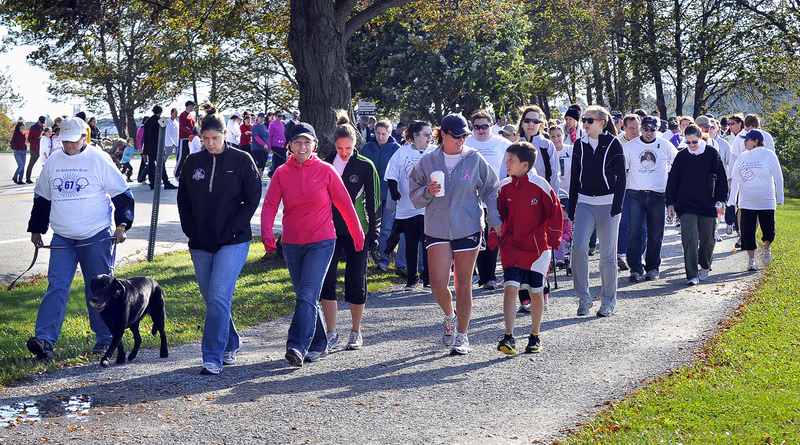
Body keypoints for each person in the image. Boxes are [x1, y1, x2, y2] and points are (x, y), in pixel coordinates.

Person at [25, 116, 134, 361]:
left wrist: (122, 224)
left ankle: (106, 338)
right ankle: (44, 340)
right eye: (64, 140)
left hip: (95, 236)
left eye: (73, 140)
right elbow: (42, 198)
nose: (69, 145)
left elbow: (122, 194)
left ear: (84, 137)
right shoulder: (54, 161)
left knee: (99, 289)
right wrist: (37, 229)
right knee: (57, 286)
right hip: (62, 236)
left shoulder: (98, 158)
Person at [261, 122, 365, 367]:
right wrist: (267, 234)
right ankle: (320, 343)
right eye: (298, 142)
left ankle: (296, 345)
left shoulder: (326, 170)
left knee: (307, 295)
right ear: (289, 146)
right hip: (293, 243)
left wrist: (357, 233)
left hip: (322, 241)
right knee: (305, 297)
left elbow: (345, 204)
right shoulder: (281, 173)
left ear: (315, 145)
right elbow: (269, 205)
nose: (303, 146)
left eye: (308, 142)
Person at [177, 103, 262, 375]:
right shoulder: (193, 162)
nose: (211, 144)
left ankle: (213, 355)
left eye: (216, 138)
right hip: (201, 241)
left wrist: (236, 227)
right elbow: (184, 200)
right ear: (200, 138)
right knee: (212, 298)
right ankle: (233, 340)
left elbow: (252, 199)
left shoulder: (241, 160)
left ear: (226, 134)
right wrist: (190, 228)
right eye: (206, 139)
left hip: (233, 241)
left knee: (218, 295)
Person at [408, 113, 501, 355]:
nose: (462, 140)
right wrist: (427, 191)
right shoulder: (428, 161)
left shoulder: (474, 158)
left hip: (468, 227)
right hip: (436, 227)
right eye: (457, 135)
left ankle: (463, 335)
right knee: (438, 284)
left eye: (465, 135)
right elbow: (414, 197)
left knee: (463, 284)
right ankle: (450, 316)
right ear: (444, 135)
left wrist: (494, 219)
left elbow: (491, 189)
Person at [321, 112, 380, 351]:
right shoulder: (325, 162)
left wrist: (374, 233)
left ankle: (356, 331)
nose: (344, 152)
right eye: (340, 148)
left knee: (356, 281)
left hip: (358, 231)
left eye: (348, 147)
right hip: (329, 230)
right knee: (328, 280)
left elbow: (374, 202)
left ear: (356, 144)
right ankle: (331, 332)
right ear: (334, 145)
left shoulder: (366, 166)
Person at [496, 142, 562, 355]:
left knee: (536, 292)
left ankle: (535, 335)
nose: (506, 163)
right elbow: (499, 215)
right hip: (512, 248)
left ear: (524, 165)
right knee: (510, 287)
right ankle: (509, 336)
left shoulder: (540, 185)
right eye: (507, 158)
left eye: (510, 160)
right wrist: (495, 235)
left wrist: (553, 238)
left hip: (537, 249)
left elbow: (555, 211)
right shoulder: (504, 186)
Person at [568, 105, 626, 317]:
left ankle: (608, 301)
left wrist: (618, 205)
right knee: (579, 247)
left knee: (607, 256)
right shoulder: (579, 144)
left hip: (608, 204)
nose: (585, 123)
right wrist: (572, 207)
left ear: (602, 122)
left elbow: (622, 177)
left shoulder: (613, 143)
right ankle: (583, 297)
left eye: (590, 120)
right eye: (584, 119)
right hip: (584, 202)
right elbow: (575, 178)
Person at [665, 124, 728, 285]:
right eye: (688, 142)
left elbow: (721, 178)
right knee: (690, 238)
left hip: (709, 203)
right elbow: (673, 181)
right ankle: (691, 274)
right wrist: (670, 203)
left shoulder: (712, 154)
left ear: (701, 138)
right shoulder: (682, 157)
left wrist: (722, 200)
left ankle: (705, 265)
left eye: (694, 142)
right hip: (686, 204)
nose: (691, 145)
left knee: (708, 239)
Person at [623, 116, 678, 282]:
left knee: (656, 233)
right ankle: (635, 268)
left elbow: (678, 163)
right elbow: (623, 169)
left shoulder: (665, 145)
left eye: (652, 129)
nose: (648, 132)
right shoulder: (631, 146)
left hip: (658, 195)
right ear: (641, 129)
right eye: (645, 129)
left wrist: (673, 190)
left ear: (657, 129)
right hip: (635, 194)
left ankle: (652, 268)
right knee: (634, 232)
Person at [466, 109, 510, 290]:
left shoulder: (503, 143)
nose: (481, 130)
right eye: (477, 127)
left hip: (494, 197)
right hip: (469, 197)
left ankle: (489, 277)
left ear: (492, 125)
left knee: (492, 235)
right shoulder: (466, 142)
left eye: (484, 126)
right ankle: (472, 274)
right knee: (473, 236)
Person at [728, 129, 784, 271]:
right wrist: (732, 198)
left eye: (747, 140)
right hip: (747, 200)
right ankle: (751, 260)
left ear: (756, 141)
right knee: (747, 232)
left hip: (766, 200)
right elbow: (735, 178)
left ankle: (766, 247)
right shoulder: (742, 156)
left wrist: (780, 195)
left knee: (769, 231)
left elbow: (778, 176)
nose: (744, 142)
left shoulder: (768, 155)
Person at [385, 120, 432, 289]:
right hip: (407, 207)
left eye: (430, 134)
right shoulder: (402, 152)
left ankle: (428, 279)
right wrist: (393, 190)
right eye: (426, 134)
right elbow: (392, 173)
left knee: (428, 245)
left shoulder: (434, 152)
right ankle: (412, 279)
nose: (429, 137)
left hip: (428, 208)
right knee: (411, 245)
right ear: (416, 135)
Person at [361, 119, 404, 272]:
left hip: (389, 194)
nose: (380, 137)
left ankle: (384, 260)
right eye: (378, 133)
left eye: (383, 134)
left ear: (389, 133)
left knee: (386, 228)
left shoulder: (396, 149)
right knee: (368, 227)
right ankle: (364, 259)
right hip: (371, 193)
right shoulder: (367, 148)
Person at [518, 105, 560, 193]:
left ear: (541, 125)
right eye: (527, 120)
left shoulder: (547, 145)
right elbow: (505, 174)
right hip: (519, 198)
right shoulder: (514, 147)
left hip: (543, 196)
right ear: (522, 123)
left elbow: (555, 175)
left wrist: (554, 200)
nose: (531, 124)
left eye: (535, 121)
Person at [549, 125, 573, 266]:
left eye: (559, 135)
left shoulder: (571, 149)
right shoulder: (548, 150)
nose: (556, 138)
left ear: (563, 135)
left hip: (569, 192)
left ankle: (564, 251)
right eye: (553, 136)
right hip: (554, 192)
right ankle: (553, 254)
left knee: (567, 222)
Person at [142, 105, 178, 190]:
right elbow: (162, 135)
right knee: (161, 165)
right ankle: (166, 182)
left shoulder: (147, 121)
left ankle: (152, 182)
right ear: (160, 111)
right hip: (157, 146)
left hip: (149, 146)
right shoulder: (160, 121)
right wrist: (163, 148)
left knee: (151, 165)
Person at [175, 100, 196, 179]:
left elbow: (193, 125)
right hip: (184, 138)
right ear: (188, 106)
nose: (193, 107)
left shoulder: (192, 116)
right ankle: (177, 173)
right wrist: (191, 132)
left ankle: (185, 172)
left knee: (190, 156)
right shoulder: (183, 115)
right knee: (182, 156)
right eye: (192, 106)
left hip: (191, 138)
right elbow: (183, 127)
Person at [26, 116, 45, 183]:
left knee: (44, 163)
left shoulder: (43, 127)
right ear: (38, 121)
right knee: (31, 163)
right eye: (41, 122)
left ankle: (44, 179)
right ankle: (28, 178)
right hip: (34, 149)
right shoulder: (33, 127)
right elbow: (30, 138)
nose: (42, 124)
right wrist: (36, 145)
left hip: (42, 149)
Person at [267, 111, 287, 177]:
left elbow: (282, 134)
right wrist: (269, 147)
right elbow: (269, 136)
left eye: (281, 116)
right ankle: (274, 175)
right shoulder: (272, 124)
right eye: (279, 116)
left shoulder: (281, 123)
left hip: (282, 145)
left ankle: (281, 175)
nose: (280, 117)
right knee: (277, 162)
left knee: (283, 161)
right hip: (275, 145)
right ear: (275, 116)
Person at [251, 112, 270, 177]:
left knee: (264, 163)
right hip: (257, 148)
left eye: (263, 117)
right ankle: (257, 177)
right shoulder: (255, 126)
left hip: (265, 149)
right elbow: (256, 136)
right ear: (258, 118)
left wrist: (269, 147)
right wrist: (263, 144)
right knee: (260, 162)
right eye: (260, 117)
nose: (262, 119)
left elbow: (267, 137)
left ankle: (260, 177)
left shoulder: (264, 127)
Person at [11, 120, 28, 184]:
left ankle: (20, 180)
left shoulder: (24, 133)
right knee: (20, 165)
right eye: (23, 125)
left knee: (23, 166)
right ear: (20, 126)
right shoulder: (16, 133)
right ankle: (15, 177)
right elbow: (12, 142)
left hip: (24, 151)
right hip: (17, 152)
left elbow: (24, 141)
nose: (24, 126)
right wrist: (16, 148)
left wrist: (25, 146)